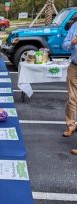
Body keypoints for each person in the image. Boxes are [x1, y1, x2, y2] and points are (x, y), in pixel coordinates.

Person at [63, 21, 77, 154]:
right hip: (74, 66)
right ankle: (71, 125)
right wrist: (72, 43)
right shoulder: (74, 26)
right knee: (72, 98)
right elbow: (65, 45)